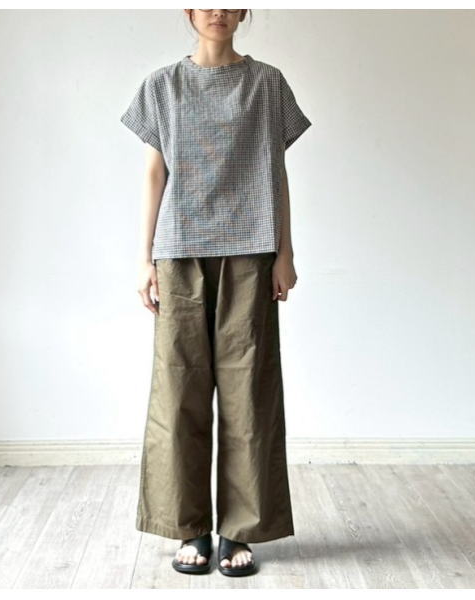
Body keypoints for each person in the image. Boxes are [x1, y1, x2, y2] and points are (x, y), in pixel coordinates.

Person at [120, 8, 311, 577]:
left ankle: (239, 530)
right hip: (179, 251)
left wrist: (285, 252)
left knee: (249, 394)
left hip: (251, 250)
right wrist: (144, 257)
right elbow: (154, 173)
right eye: (206, 2)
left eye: (230, 3)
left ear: (246, 10)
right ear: (188, 10)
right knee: (178, 390)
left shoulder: (268, 84)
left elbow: (277, 173)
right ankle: (188, 526)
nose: (218, 11)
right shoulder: (162, 85)